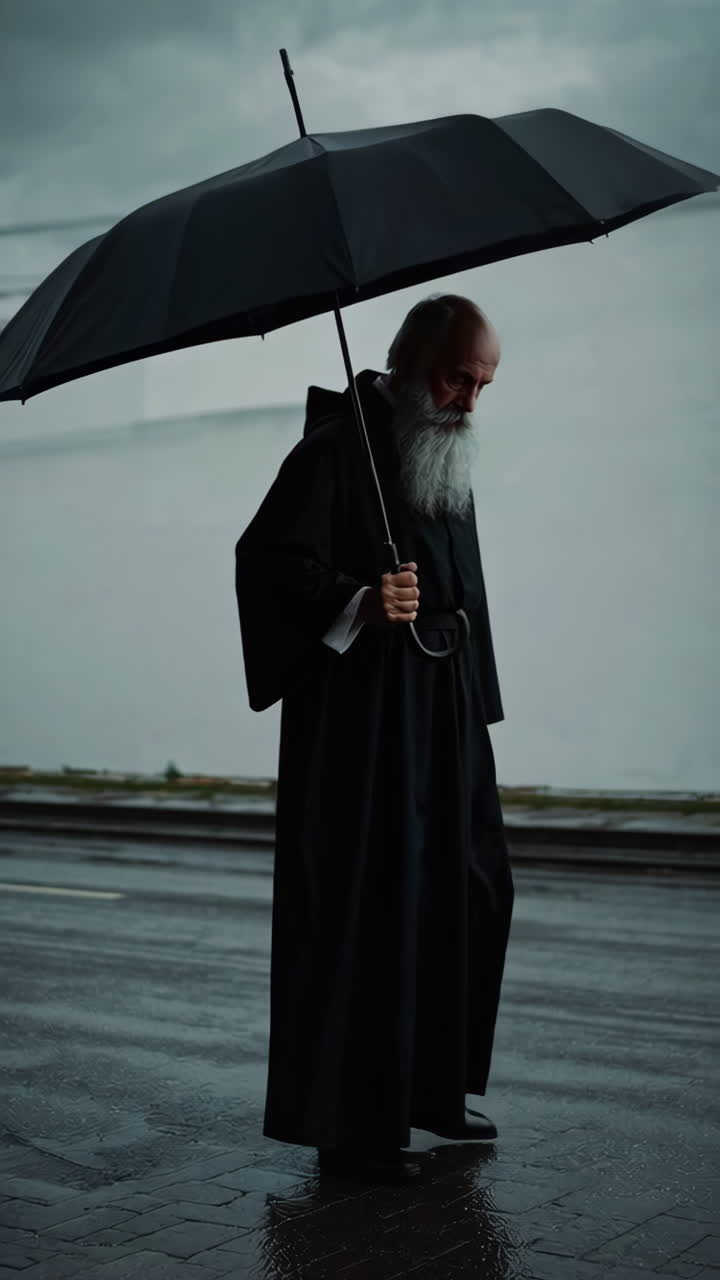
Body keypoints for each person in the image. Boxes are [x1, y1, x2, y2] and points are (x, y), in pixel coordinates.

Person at [234, 294, 514, 1183]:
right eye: (457, 378)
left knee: (471, 887)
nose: (470, 399)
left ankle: (433, 1088)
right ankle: (351, 1118)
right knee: (369, 906)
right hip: (362, 735)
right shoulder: (330, 452)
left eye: (483, 384)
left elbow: (464, 590)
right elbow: (266, 563)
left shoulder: (441, 459)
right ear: (409, 363)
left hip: (445, 716)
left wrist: (476, 709)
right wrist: (357, 599)